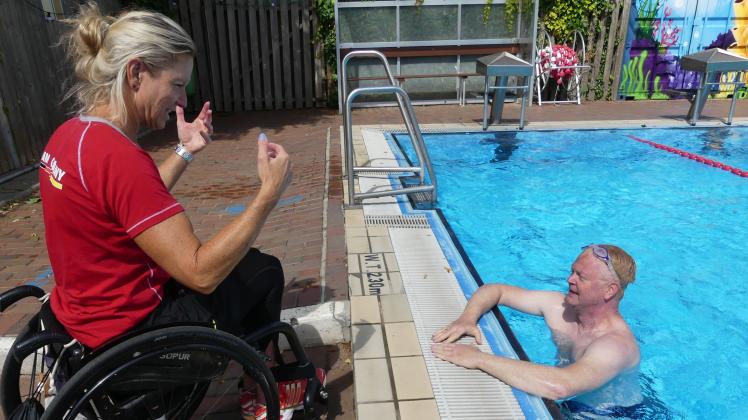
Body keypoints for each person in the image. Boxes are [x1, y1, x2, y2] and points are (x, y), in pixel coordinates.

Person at [39, 3, 306, 418]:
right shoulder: (118, 156)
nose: (183, 98)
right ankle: (258, 387)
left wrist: (185, 149)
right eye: (177, 84)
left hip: (82, 321)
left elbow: (128, 206)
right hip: (131, 332)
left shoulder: (69, 136)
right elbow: (200, 273)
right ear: (136, 73)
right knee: (263, 271)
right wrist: (268, 195)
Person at [431, 244, 642, 412]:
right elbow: (497, 290)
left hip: (613, 413)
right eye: (572, 272)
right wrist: (467, 319)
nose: (570, 280)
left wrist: (478, 358)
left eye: (581, 277)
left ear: (609, 291)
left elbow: (561, 386)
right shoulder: (561, 307)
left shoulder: (615, 345)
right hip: (573, 405)